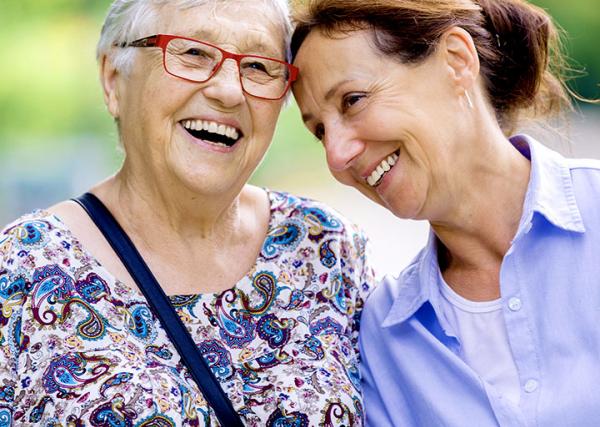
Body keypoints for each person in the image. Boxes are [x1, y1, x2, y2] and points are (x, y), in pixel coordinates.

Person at [0, 0, 375, 425]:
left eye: (258, 66)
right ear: (113, 79)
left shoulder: (324, 247)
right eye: (194, 53)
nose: (229, 90)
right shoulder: (22, 269)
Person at [291, 0, 600, 425]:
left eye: (353, 100)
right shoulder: (387, 335)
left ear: (456, 61)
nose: (337, 156)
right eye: (319, 131)